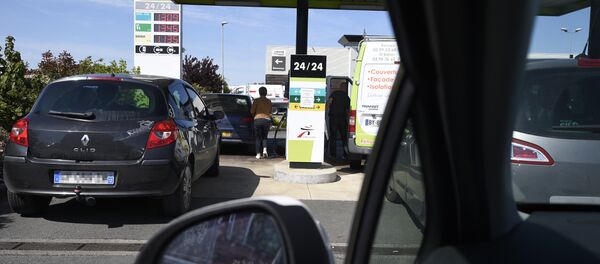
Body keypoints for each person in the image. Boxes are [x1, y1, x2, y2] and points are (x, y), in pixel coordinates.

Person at [327, 83, 351, 159]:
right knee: (344, 137)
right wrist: (348, 119)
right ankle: (345, 154)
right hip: (342, 118)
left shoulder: (335, 93)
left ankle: (333, 155)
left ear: (340, 87)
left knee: (333, 136)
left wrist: (327, 109)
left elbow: (329, 102)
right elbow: (348, 110)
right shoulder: (347, 97)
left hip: (333, 118)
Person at [251, 87, 273, 159]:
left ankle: (258, 154)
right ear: (266, 93)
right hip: (266, 120)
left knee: (258, 138)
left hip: (258, 120)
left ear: (259, 92)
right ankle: (265, 150)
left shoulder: (256, 101)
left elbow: (252, 111)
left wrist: (255, 116)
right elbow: (270, 112)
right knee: (264, 137)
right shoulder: (269, 101)